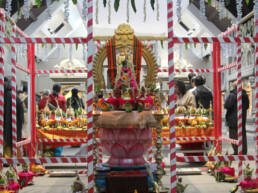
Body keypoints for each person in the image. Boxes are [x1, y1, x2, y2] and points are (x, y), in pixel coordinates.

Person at [224, 82, 249, 155]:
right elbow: (247, 106)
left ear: (234, 87)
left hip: (232, 119)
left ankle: (237, 151)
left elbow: (226, 105)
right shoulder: (245, 95)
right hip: (242, 118)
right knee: (242, 135)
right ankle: (243, 151)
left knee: (233, 136)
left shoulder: (232, 95)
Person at [4, 77, 24, 158]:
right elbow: (20, 114)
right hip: (15, 125)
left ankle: (5, 160)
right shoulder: (16, 97)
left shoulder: (3, 96)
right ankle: (18, 160)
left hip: (4, 125)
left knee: (5, 143)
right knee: (15, 143)